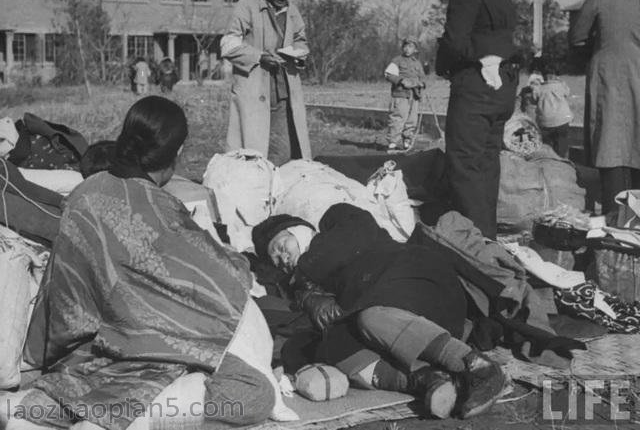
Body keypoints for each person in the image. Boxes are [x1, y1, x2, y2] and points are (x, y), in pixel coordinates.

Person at [21, 96, 275, 430]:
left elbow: (62, 287)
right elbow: (225, 278)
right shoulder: (164, 209)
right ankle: (135, 418)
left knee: (64, 388)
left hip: (82, 357)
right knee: (255, 395)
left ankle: (44, 410)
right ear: (178, 153)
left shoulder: (83, 194)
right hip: (150, 360)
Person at [252, 203, 506, 420]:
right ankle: (425, 379)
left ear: (298, 230)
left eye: (282, 245)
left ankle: (477, 366)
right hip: (399, 328)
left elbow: (355, 235)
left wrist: (305, 282)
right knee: (335, 346)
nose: (282, 257)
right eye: (275, 260)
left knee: (370, 316)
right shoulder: (307, 289)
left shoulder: (337, 219)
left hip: (418, 283)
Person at [430, 0, 518, 240]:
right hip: (503, 88)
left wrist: (442, 65)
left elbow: (455, 43)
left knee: (465, 165)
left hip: (475, 88)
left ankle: (475, 245)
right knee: (487, 164)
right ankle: (487, 236)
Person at [220, 0, 312, 166]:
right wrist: (259, 56)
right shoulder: (247, 7)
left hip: (283, 93)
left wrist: (296, 55)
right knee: (251, 152)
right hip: (254, 91)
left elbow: (301, 41)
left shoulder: (293, 12)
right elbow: (228, 43)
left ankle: (278, 192)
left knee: (284, 151)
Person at [570, 0, 640, 217]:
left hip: (609, 79)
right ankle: (637, 225)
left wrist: (603, 46)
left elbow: (577, 38)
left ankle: (615, 221)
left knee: (611, 144)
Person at [520, 57, 573, 158]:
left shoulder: (540, 88)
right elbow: (567, 92)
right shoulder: (561, 85)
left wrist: (533, 87)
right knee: (563, 143)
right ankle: (563, 160)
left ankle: (550, 160)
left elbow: (533, 99)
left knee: (548, 144)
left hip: (546, 122)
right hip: (562, 120)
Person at [384, 37, 427, 152]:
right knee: (398, 118)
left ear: (415, 50)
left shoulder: (417, 63)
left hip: (414, 96)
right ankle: (392, 143)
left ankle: (407, 141)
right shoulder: (397, 60)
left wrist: (421, 84)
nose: (407, 49)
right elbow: (388, 74)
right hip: (400, 95)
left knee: (412, 120)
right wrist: (401, 81)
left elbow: (423, 78)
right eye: (405, 46)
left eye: (411, 47)